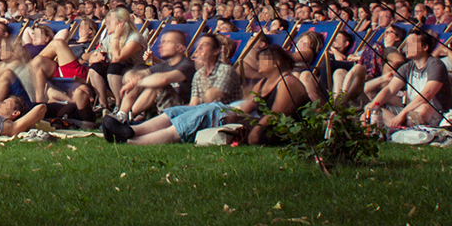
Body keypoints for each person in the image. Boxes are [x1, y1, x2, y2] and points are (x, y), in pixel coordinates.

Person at [103, 43, 305, 145]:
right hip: (245, 117)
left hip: (266, 129)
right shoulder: (264, 82)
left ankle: (130, 140)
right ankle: (130, 129)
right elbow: (248, 105)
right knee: (185, 111)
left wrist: (238, 119)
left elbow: (275, 117)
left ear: (277, 61)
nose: (259, 62)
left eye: (264, 58)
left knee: (208, 112)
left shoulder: (289, 82)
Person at [364, 30, 451, 129]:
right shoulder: (407, 67)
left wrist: (402, 114)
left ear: (425, 47)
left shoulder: (435, 65)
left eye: (411, 44)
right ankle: (399, 127)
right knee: (373, 108)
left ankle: (395, 126)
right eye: (406, 44)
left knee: (424, 108)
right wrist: (372, 107)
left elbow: (427, 94)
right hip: (411, 111)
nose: (407, 47)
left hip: (436, 113)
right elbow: (390, 90)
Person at [113, 29, 194, 121]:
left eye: (167, 42)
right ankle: (122, 115)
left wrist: (137, 82)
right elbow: (139, 73)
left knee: (155, 84)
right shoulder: (164, 66)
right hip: (162, 106)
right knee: (139, 74)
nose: (160, 45)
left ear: (179, 47)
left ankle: (129, 118)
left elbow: (164, 79)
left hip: (183, 109)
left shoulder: (187, 65)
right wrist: (132, 77)